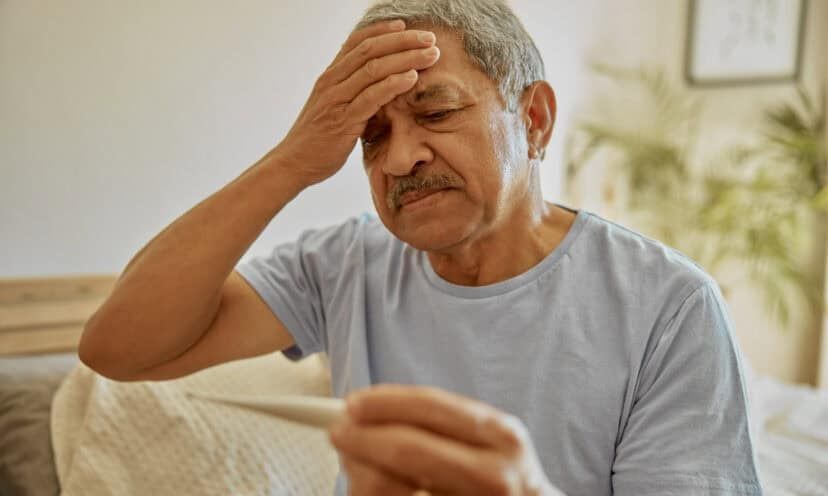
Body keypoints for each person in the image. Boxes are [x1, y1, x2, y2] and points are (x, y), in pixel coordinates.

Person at [79, 1, 763, 494]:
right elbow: (118, 349)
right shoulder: (343, 265)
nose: (401, 157)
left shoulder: (668, 306)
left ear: (533, 119)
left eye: (436, 113)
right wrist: (293, 159)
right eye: (371, 135)